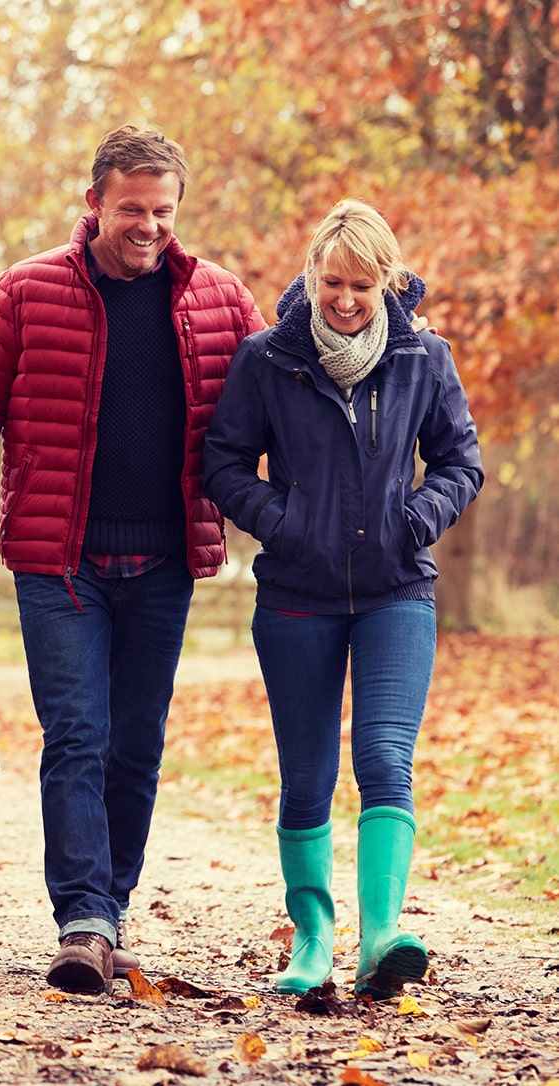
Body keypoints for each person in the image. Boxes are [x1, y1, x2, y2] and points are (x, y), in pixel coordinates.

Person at [0, 124, 266, 994]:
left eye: (164, 212)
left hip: (164, 565)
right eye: (131, 210)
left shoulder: (220, 301)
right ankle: (82, 918)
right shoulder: (27, 292)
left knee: (136, 744)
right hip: (58, 562)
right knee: (77, 734)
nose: (148, 226)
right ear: (94, 203)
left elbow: (281, 399)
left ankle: (107, 910)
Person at [202, 199, 484, 999]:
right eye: (332, 282)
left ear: (388, 282)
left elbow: (462, 462)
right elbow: (222, 465)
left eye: (363, 284)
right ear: (312, 277)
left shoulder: (424, 358)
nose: (347, 299)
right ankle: (314, 940)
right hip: (297, 595)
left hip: (397, 590)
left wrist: (416, 518)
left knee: (386, 759)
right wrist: (282, 524)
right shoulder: (268, 360)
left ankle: (382, 933)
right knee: (307, 774)